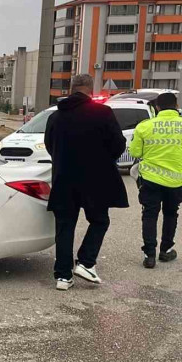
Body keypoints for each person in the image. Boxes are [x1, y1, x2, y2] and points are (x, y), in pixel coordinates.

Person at [44, 74, 128, 291]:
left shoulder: (56, 117)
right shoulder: (103, 113)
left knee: (65, 226)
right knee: (99, 220)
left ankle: (63, 277)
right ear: (91, 90)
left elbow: (49, 145)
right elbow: (118, 145)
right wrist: (102, 159)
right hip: (96, 180)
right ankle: (86, 263)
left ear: (71, 89)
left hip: (64, 179)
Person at [129, 92, 182, 268]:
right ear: (176, 106)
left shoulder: (145, 126)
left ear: (157, 107)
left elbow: (136, 153)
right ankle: (166, 250)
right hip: (177, 180)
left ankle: (149, 255)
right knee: (171, 214)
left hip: (150, 179)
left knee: (150, 215)